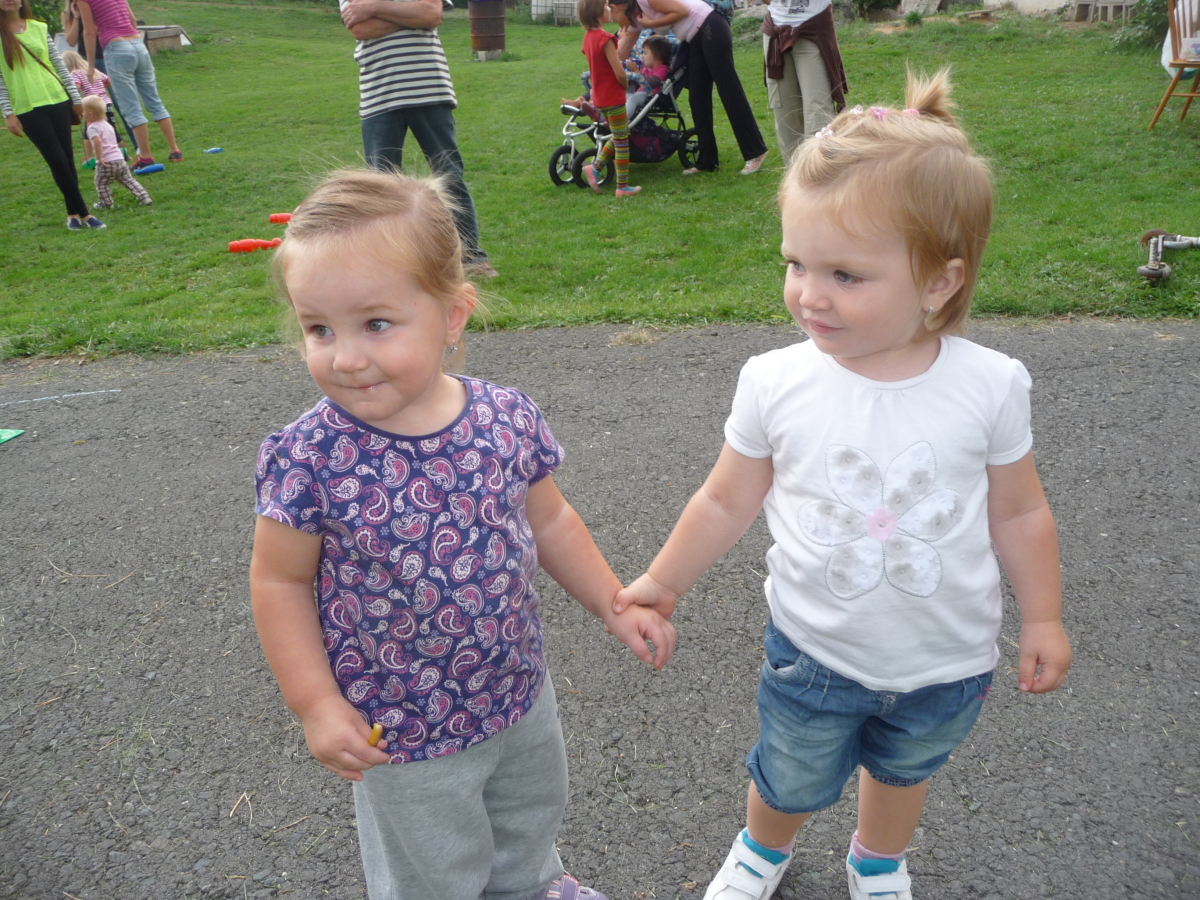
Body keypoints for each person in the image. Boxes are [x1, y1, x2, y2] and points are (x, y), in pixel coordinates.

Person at [613, 70, 1072, 900]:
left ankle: (878, 860)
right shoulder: (775, 381)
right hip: (815, 651)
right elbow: (725, 498)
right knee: (788, 772)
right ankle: (763, 850)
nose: (808, 295)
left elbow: (1020, 511)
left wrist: (1042, 616)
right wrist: (662, 582)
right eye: (796, 263)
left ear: (939, 282)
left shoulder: (991, 385)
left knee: (904, 771)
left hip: (946, 660)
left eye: (845, 276)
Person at [250, 169, 676, 900]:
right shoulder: (309, 456)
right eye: (319, 329)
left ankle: (531, 885)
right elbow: (279, 580)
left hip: (515, 688)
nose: (344, 356)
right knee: (434, 868)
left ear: (453, 315)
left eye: (375, 324)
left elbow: (550, 520)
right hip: (400, 724)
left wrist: (613, 602)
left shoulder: (503, 418)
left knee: (527, 817)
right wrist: (316, 705)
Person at [339, 0, 494, 276]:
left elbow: (431, 14)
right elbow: (361, 29)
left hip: (430, 90)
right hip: (379, 96)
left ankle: (471, 259)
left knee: (450, 177)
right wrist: (409, 15)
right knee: (381, 187)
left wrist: (372, 6)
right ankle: (390, 263)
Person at [611, 0, 767, 175]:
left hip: (710, 27)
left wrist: (651, 23)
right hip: (694, 39)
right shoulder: (635, 17)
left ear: (616, 7)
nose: (612, 20)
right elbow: (621, 54)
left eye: (611, 13)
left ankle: (756, 151)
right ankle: (706, 161)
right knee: (698, 98)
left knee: (729, 90)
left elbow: (682, 11)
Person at [0, 0, 104, 230]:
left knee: (66, 158)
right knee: (56, 159)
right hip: (27, 107)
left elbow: (58, 64)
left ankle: (73, 214)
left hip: (57, 99)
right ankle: (86, 215)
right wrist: (8, 112)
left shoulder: (38, 27)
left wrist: (75, 99)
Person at [74, 0, 183, 168]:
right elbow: (132, 20)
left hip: (116, 48)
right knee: (154, 100)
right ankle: (175, 150)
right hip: (138, 45)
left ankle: (145, 157)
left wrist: (90, 66)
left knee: (130, 105)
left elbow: (89, 32)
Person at [761, 0, 847, 163]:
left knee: (818, 116)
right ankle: (794, 176)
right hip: (775, 32)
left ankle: (821, 174)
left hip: (813, 29)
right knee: (786, 118)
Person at [578, 0, 639, 197]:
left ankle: (594, 168)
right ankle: (622, 187)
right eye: (606, 7)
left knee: (619, 134)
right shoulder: (605, 39)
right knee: (622, 142)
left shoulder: (588, 38)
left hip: (599, 97)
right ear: (598, 14)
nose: (609, 9)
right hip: (613, 96)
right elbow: (619, 71)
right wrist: (624, 85)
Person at [60, 0, 136, 148]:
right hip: (86, 62)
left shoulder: (96, 4)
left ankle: (137, 143)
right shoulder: (69, 14)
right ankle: (105, 147)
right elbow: (71, 41)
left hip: (106, 55)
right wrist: (76, 17)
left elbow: (98, 29)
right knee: (93, 106)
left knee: (120, 101)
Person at [62, 49, 127, 166]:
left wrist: (69, 91)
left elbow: (77, 87)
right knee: (111, 129)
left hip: (91, 104)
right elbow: (108, 81)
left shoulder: (75, 73)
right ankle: (123, 153)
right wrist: (100, 87)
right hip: (105, 104)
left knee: (88, 132)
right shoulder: (93, 70)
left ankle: (89, 158)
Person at [82, 95, 149, 207]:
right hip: (119, 159)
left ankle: (106, 203)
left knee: (101, 183)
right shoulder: (107, 125)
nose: (81, 114)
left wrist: (99, 157)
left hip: (106, 161)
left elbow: (97, 142)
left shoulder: (92, 128)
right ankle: (144, 197)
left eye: (83, 112)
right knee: (128, 179)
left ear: (90, 114)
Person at [625, 33, 670, 120]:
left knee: (633, 99)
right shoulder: (645, 69)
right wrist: (628, 78)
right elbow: (637, 84)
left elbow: (651, 82)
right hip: (638, 94)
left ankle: (621, 121)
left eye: (645, 53)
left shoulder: (662, 69)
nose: (642, 56)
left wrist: (636, 72)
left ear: (657, 55)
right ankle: (608, 117)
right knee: (623, 95)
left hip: (649, 96)